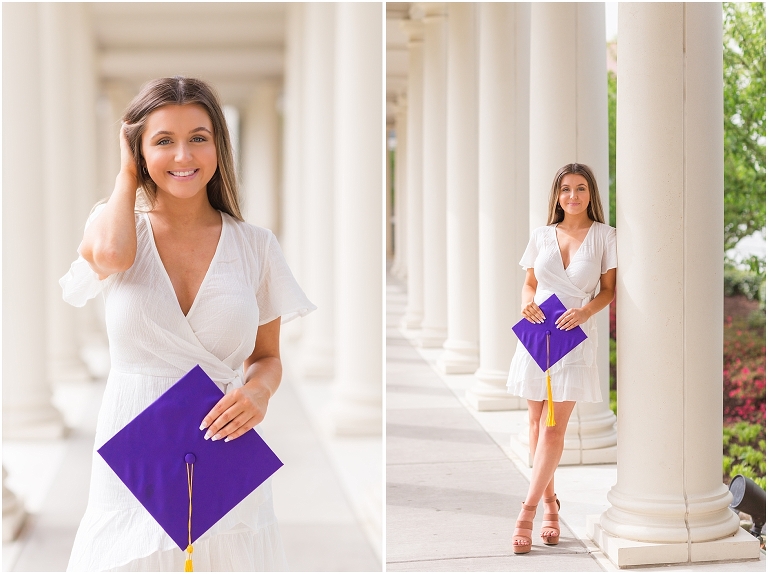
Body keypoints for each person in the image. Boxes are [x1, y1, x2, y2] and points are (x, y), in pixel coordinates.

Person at [60, 76, 315, 571]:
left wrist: (259, 392)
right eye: (163, 141)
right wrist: (125, 175)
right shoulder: (114, 226)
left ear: (219, 144)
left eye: (198, 137)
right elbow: (111, 257)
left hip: (220, 443)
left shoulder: (256, 245)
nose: (183, 156)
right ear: (138, 150)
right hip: (134, 445)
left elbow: (267, 357)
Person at [506, 163, 616, 554]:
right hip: (537, 331)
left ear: (591, 194)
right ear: (556, 195)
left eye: (581, 188)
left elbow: (607, 290)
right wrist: (524, 304)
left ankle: (528, 511)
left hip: (573, 333)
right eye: (566, 189)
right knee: (536, 422)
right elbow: (530, 283)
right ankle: (552, 505)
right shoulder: (541, 235)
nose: (573, 196)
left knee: (554, 428)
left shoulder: (605, 236)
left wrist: (586, 312)